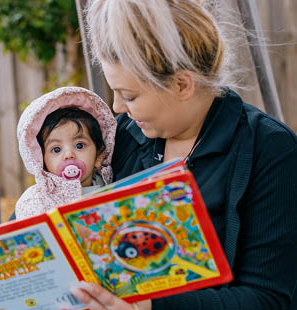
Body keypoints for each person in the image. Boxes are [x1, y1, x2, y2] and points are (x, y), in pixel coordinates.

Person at [69, 0, 297, 309]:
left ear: (181, 85)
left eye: (129, 95)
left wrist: (150, 307)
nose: (117, 108)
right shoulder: (118, 135)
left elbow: (268, 298)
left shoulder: (269, 149)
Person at [15, 86, 116, 219]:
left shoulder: (111, 187)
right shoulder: (35, 202)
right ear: (41, 161)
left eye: (79, 145)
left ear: (99, 156)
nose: (69, 154)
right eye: (56, 149)